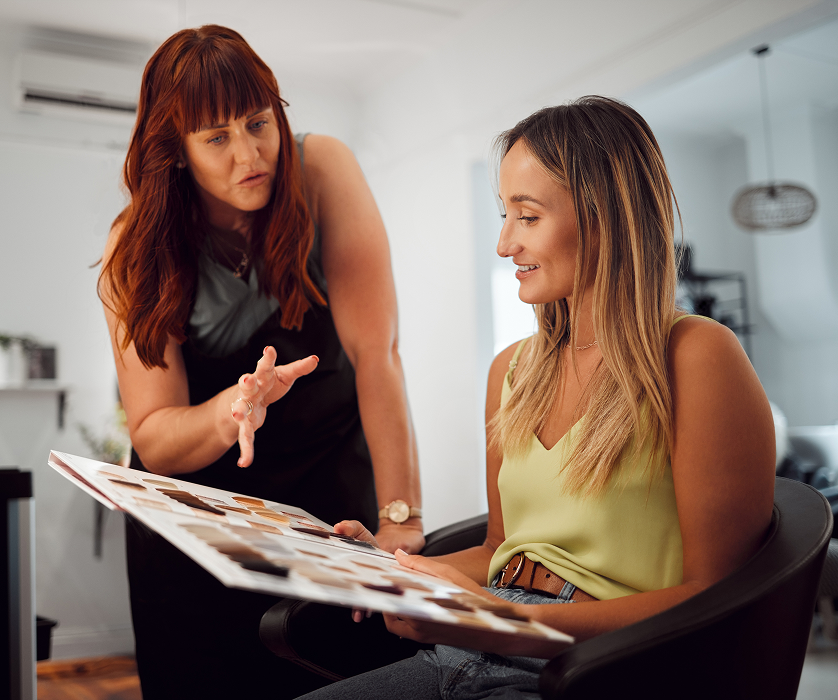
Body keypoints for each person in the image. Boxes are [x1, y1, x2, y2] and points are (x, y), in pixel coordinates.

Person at [296, 96, 776, 699]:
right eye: (504, 215)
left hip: (604, 671)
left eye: (526, 217)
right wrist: (395, 569)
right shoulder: (511, 373)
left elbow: (719, 600)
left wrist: (510, 623)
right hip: (477, 649)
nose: (503, 245)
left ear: (604, 217)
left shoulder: (698, 357)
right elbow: (502, 551)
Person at [98, 25, 424, 699]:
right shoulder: (135, 246)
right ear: (177, 152)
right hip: (197, 513)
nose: (250, 153)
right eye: (216, 137)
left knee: (342, 670)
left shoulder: (324, 170)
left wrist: (401, 521)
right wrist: (230, 411)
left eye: (257, 123)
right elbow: (154, 433)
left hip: (328, 487)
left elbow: (377, 354)